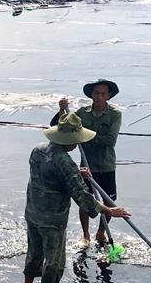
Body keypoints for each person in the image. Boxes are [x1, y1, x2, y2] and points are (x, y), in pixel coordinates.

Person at [23, 113, 130, 283]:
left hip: (33, 212)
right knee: (54, 261)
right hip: (53, 220)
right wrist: (109, 211)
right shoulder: (65, 162)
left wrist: (75, 173)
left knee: (34, 253)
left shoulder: (38, 150)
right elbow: (82, 196)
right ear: (71, 141)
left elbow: (48, 174)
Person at [52, 78, 122, 247]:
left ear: (108, 96)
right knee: (85, 200)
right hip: (86, 165)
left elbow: (110, 140)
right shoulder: (82, 113)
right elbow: (59, 126)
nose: (99, 97)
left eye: (103, 94)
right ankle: (85, 235)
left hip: (106, 165)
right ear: (91, 94)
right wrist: (62, 110)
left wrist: (85, 136)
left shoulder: (115, 114)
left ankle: (100, 232)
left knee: (109, 202)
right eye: (96, 93)